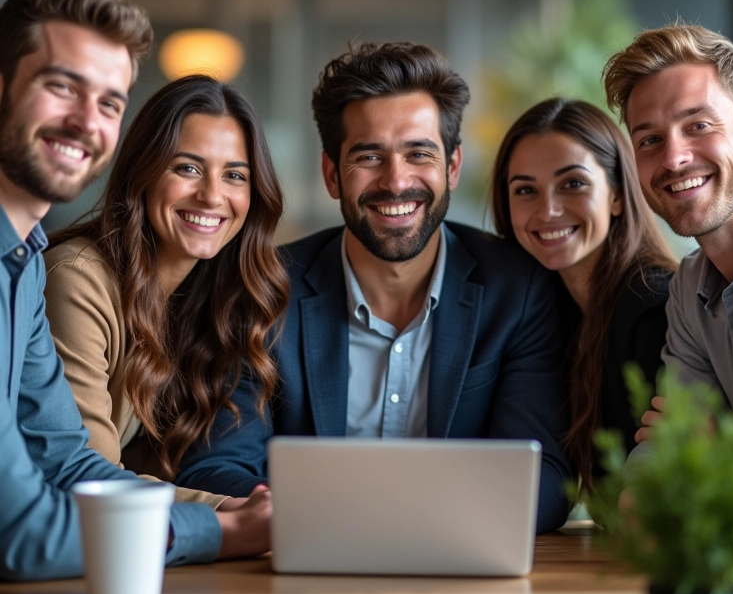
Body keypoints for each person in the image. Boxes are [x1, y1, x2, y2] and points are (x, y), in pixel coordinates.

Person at [177, 41, 572, 533]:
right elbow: (216, 468)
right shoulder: (259, 288)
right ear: (331, 174)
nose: (395, 180)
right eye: (369, 156)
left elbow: (546, 480)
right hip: (301, 574)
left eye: (418, 153)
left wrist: (393, 519)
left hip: (463, 574)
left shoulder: (519, 290)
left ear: (451, 168)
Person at [0, 0, 269, 581]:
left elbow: (70, 465)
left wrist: (237, 513)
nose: (84, 121)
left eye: (109, 102)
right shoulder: (62, 272)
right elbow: (24, 533)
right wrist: (222, 532)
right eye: (61, 87)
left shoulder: (19, 263)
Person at [43, 74, 288, 522]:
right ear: (144, 170)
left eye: (234, 175)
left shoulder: (202, 296)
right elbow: (84, 476)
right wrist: (232, 512)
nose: (212, 195)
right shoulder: (76, 279)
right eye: (187, 168)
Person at [490, 98, 677, 489]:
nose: (548, 210)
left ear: (617, 194)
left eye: (572, 184)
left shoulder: (654, 308)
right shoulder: (540, 313)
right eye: (525, 190)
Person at [603, 23, 733, 424]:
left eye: (698, 126)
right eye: (650, 140)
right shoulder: (689, 287)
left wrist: (720, 456)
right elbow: (665, 452)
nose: (674, 159)